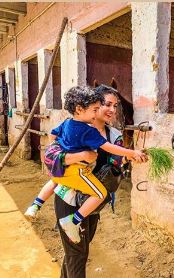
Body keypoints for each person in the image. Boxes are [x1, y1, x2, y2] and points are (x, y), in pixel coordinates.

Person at [25, 85, 147, 244]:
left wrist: (127, 158)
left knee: (55, 180)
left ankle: (36, 205)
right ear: (82, 108)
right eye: (105, 105)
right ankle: (73, 221)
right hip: (70, 193)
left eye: (115, 106)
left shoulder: (107, 133)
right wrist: (131, 152)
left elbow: (53, 135)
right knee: (100, 194)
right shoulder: (89, 131)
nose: (113, 110)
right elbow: (106, 148)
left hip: (83, 194)